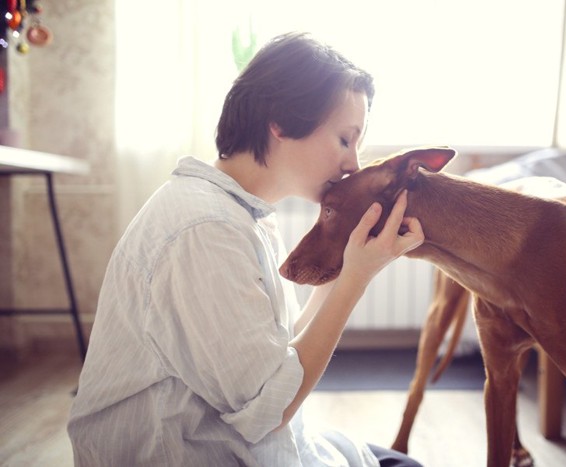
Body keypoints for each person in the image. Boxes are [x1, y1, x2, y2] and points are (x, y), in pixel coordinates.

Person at [68, 32, 425, 467]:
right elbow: (269, 409)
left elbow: (282, 356)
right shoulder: (205, 230)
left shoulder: (243, 215)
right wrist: (355, 279)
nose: (352, 164)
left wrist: (348, 264)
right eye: (345, 139)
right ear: (280, 121)